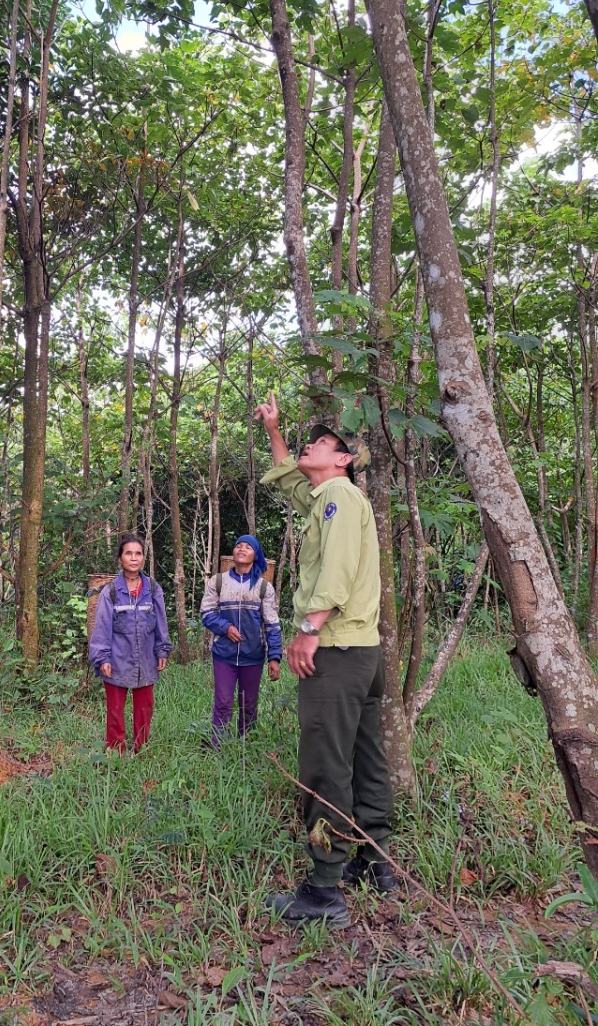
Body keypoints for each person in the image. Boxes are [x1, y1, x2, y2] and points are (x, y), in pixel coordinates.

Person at [255, 392, 394, 929]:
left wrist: (309, 629)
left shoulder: (338, 497)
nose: (308, 445)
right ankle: (374, 861)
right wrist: (274, 433)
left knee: (324, 765)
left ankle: (325, 888)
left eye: (322, 442)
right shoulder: (328, 497)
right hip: (363, 651)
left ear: (343, 460)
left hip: (334, 649)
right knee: (365, 756)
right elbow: (293, 480)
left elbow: (334, 569)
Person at [89, 533, 173, 754]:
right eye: (128, 553)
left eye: (138, 553)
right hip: (117, 658)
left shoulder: (153, 589)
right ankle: (116, 751)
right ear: (120, 559)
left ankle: (140, 748)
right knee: (115, 708)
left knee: (144, 707)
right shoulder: (111, 591)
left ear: (144, 558)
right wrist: (103, 658)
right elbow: (102, 626)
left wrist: (162, 650)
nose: (133, 558)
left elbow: (161, 623)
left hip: (146, 658)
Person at [200, 534, 282, 746]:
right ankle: (218, 746)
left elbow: (272, 624)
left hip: (253, 656)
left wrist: (274, 657)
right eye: (238, 546)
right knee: (223, 702)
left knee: (249, 705)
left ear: (256, 555)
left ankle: (247, 747)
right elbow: (206, 613)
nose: (242, 549)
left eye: (248, 547)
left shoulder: (264, 588)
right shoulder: (218, 582)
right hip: (223, 654)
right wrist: (225, 627)